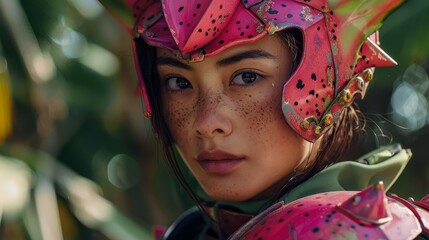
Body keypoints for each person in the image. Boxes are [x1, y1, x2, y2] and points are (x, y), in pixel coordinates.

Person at [100, 0, 429, 239]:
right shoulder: (190, 233)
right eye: (178, 83)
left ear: (326, 80)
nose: (207, 121)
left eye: (246, 77)